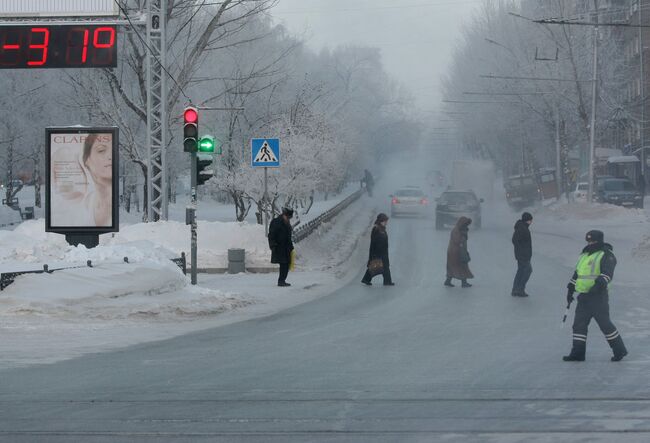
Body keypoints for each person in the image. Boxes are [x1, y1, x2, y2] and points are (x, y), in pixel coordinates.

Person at [563, 230, 627, 362]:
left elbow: (607, 274)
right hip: (584, 297)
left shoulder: (606, 254)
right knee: (578, 325)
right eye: (588, 241)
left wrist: (597, 286)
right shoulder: (584, 255)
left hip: (598, 297)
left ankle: (619, 350)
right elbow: (578, 274)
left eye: (593, 241)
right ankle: (578, 353)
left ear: (600, 241)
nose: (590, 243)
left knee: (605, 325)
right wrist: (571, 288)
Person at [361, 213, 395, 286]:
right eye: (385, 221)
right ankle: (366, 279)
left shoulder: (382, 229)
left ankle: (387, 281)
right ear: (380, 221)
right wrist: (374, 253)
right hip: (378, 252)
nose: (386, 222)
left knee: (385, 266)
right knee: (375, 266)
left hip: (383, 252)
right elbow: (373, 242)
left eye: (386, 221)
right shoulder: (376, 229)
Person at [268, 207, 295, 287]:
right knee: (283, 264)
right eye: (288, 217)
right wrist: (273, 245)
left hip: (286, 247)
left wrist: (291, 247)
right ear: (284, 215)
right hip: (279, 247)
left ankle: (282, 280)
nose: (289, 219)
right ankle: (281, 281)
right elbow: (271, 235)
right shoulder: (277, 222)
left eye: (290, 218)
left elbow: (288, 236)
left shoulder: (287, 223)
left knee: (287, 264)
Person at [445, 217, 473, 288]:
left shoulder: (461, 230)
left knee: (454, 267)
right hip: (455, 252)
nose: (466, 226)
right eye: (465, 224)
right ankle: (464, 282)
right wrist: (463, 235)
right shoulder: (456, 231)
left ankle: (448, 281)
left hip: (458, 251)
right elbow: (458, 241)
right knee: (462, 266)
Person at [511, 212, 533, 297]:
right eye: (530, 220)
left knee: (521, 271)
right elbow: (515, 240)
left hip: (522, 255)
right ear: (527, 220)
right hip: (523, 255)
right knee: (528, 270)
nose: (531, 222)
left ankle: (515, 289)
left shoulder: (522, 227)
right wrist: (523, 251)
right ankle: (520, 289)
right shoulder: (522, 228)